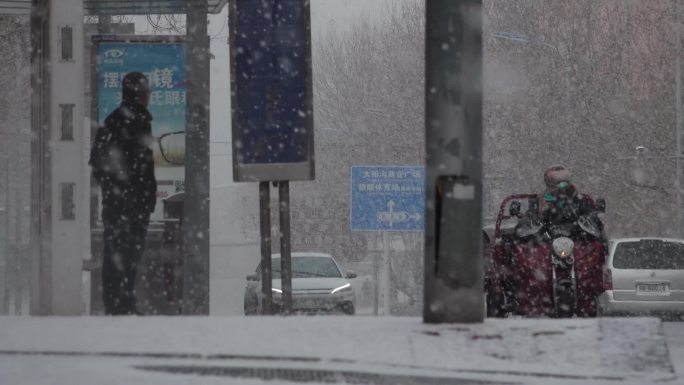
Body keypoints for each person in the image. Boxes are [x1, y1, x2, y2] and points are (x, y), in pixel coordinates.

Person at [89, 72, 157, 315]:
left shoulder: (116, 121)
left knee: (122, 253)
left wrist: (116, 188)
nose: (149, 96)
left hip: (123, 204)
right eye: (147, 91)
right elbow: (101, 163)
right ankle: (121, 303)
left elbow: (97, 163)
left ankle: (119, 302)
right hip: (128, 204)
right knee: (125, 254)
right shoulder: (129, 122)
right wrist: (128, 190)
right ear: (139, 95)